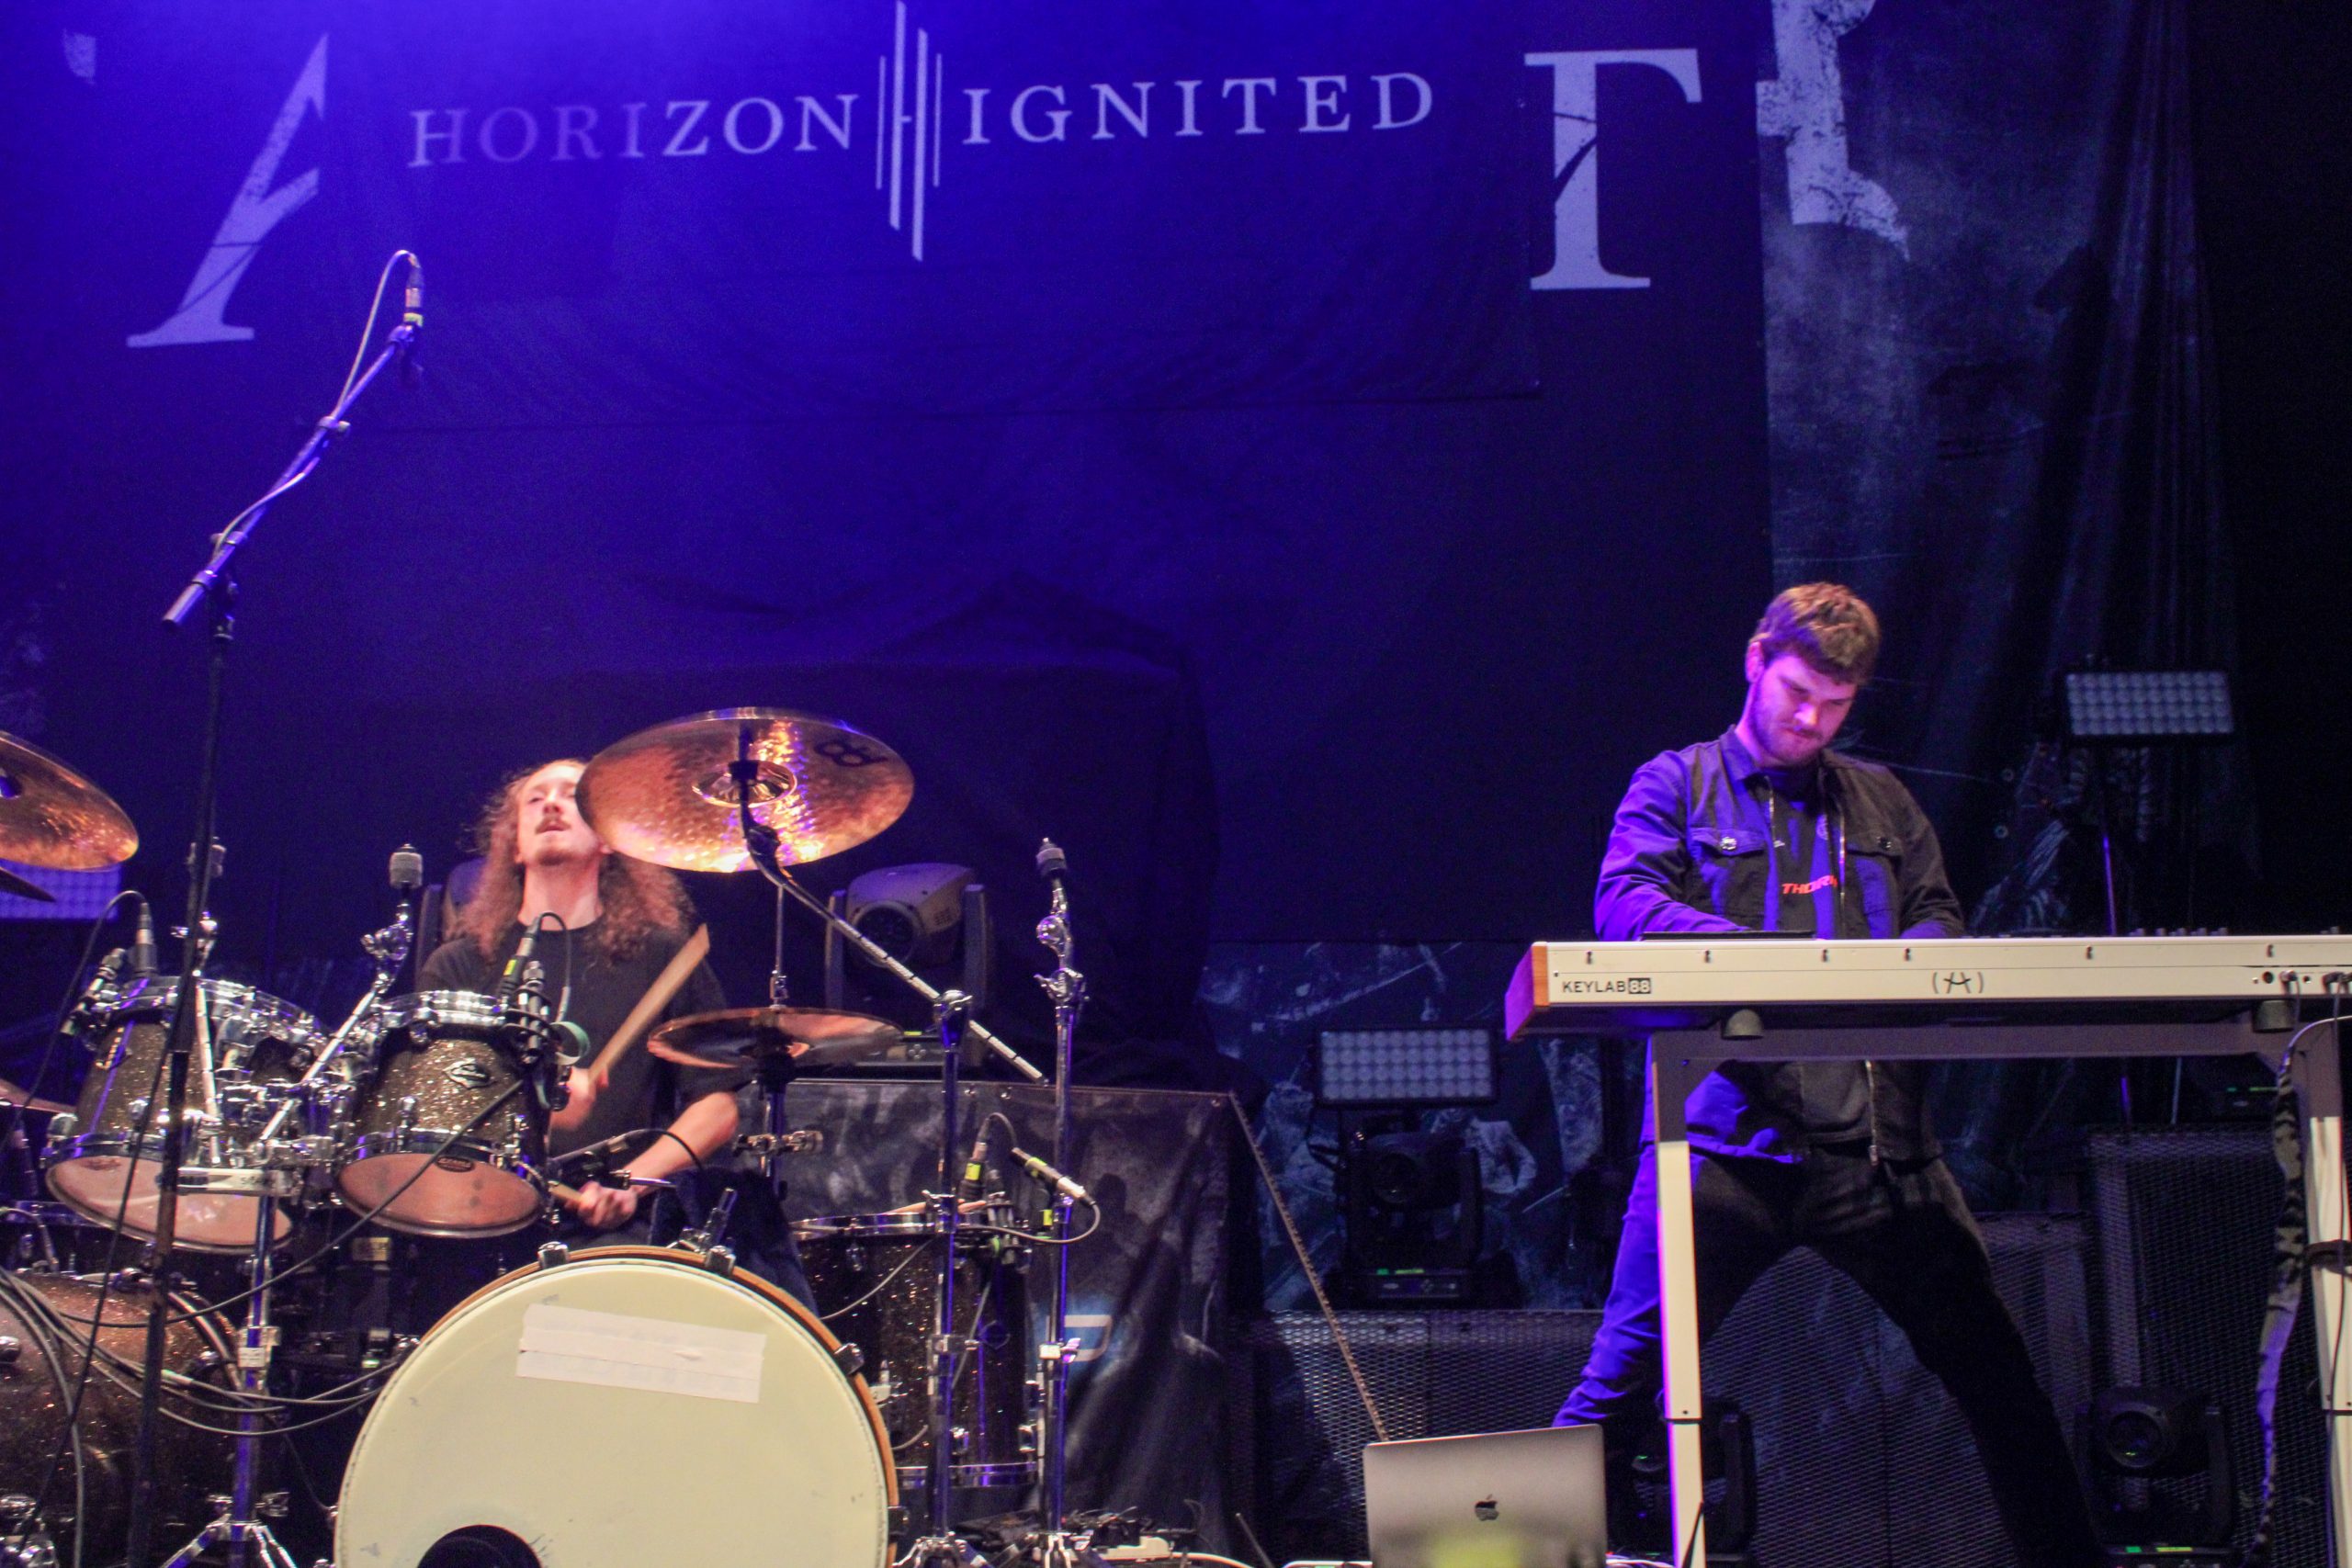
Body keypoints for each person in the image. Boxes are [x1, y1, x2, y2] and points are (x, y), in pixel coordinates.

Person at [1555, 584, 2100, 1568]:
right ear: (1756, 660)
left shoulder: (1882, 800)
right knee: (1616, 1389)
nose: (1810, 721)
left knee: (2001, 1384)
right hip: (1723, 1151)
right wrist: (1772, 958)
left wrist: (1910, 959)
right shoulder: (1676, 783)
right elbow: (1626, 905)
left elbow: (1937, 917)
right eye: (1797, 693)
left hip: (1883, 1156)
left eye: (1834, 705)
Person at [418, 759, 744, 1242]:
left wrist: (630, 1181)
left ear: (608, 837)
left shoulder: (662, 956)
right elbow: (435, 1112)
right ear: (515, 846)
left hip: (620, 1230)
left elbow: (716, 1107)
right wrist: (538, 1109)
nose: (551, 804)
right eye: (535, 799)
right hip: (482, 1217)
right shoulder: (458, 966)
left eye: (571, 796)